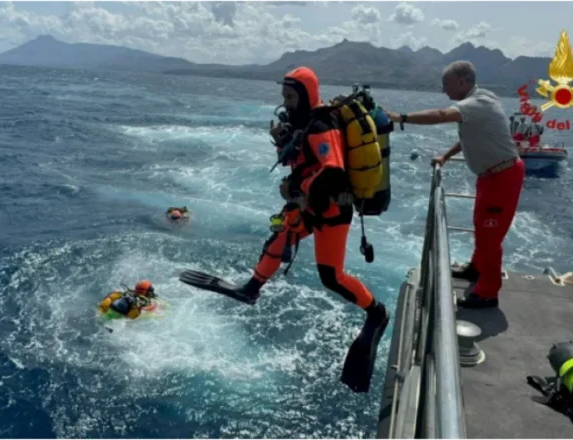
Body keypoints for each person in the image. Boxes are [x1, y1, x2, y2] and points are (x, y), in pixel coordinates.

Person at [180, 66, 389, 393]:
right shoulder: (304, 124)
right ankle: (251, 289)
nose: (286, 103)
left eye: (291, 97)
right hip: (308, 205)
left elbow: (332, 172)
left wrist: (296, 184)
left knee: (331, 277)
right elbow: (304, 161)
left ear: (306, 95)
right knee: (281, 233)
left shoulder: (321, 125)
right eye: (284, 97)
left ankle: (377, 312)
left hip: (331, 209)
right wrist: (284, 147)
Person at [386, 60, 525, 309]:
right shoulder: (478, 104)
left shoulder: (478, 102)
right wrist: (446, 156)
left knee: (490, 236)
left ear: (463, 82)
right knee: (481, 227)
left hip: (503, 177)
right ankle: (476, 268)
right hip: (490, 176)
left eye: (446, 84)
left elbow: (441, 115)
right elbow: (472, 136)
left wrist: (400, 117)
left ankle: (488, 293)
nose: (443, 90)